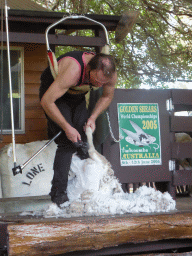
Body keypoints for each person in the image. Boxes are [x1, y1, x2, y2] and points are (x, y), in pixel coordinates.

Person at [39, 51, 117, 207]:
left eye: (103, 83)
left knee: (81, 138)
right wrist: (67, 127)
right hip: (54, 93)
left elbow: (107, 96)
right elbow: (47, 101)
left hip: (77, 94)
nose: (99, 85)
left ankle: (84, 187)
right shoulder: (74, 70)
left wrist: (93, 117)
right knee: (67, 141)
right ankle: (58, 194)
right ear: (89, 68)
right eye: (97, 80)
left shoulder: (109, 74)